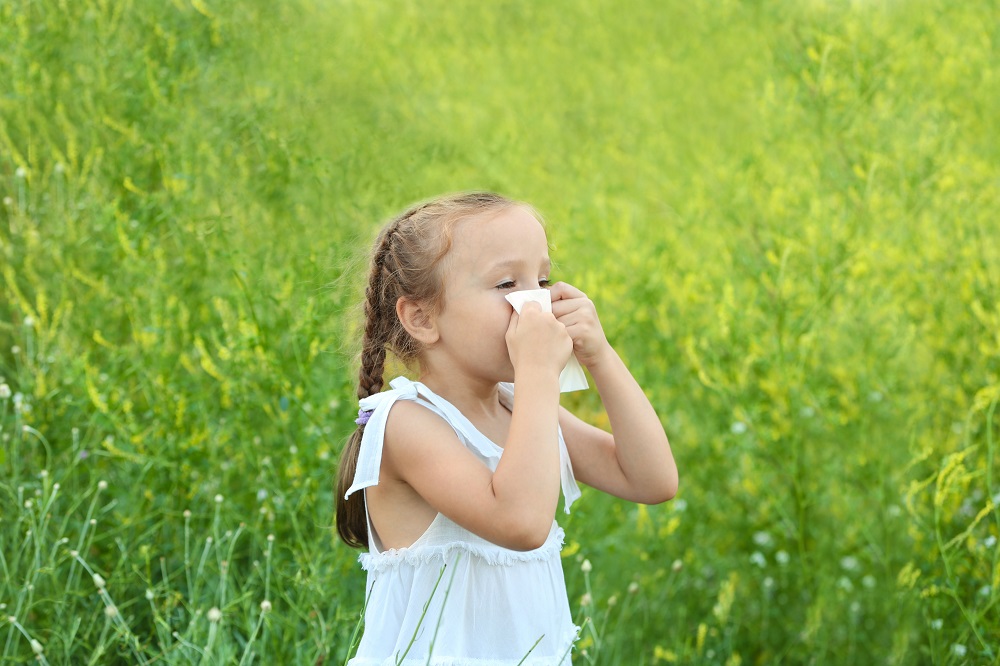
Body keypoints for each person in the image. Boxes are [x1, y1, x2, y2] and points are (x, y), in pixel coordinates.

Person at [336, 192, 677, 664]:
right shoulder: (405, 423)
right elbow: (521, 523)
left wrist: (599, 355)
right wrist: (538, 374)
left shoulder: (519, 409)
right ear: (422, 318)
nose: (534, 301)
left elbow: (652, 479)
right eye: (505, 284)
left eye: (541, 279)